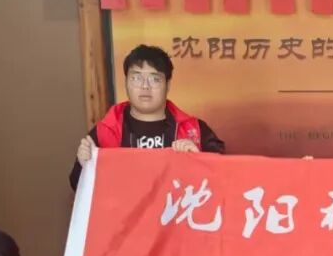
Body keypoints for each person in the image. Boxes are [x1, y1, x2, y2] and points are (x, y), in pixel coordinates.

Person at [70, 44, 225, 190]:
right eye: (136, 78)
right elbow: (78, 187)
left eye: (154, 79)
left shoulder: (195, 130)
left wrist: (199, 160)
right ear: (126, 82)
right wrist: (84, 166)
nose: (145, 86)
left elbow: (224, 181)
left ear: (168, 84)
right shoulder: (106, 131)